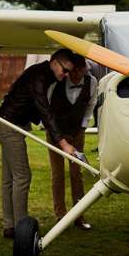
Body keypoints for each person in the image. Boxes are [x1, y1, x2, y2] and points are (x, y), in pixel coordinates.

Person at [0, 49, 77, 239]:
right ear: (54, 62)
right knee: (22, 177)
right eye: (64, 70)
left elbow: (45, 111)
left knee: (10, 179)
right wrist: (63, 144)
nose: (65, 76)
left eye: (68, 73)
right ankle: (22, 228)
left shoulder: (45, 75)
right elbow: (44, 110)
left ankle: (10, 226)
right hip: (8, 126)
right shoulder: (39, 76)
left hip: (11, 124)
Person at [46, 53, 98, 230]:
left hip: (77, 133)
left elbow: (90, 105)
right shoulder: (56, 83)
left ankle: (78, 216)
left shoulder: (92, 83)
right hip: (55, 133)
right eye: (73, 72)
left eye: (80, 72)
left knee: (77, 174)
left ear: (84, 69)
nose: (76, 76)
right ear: (68, 71)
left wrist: (82, 128)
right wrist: (57, 135)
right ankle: (60, 216)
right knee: (58, 175)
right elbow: (47, 108)